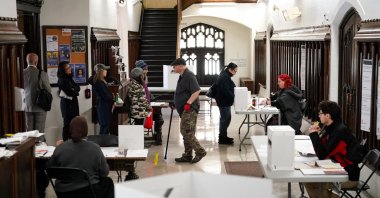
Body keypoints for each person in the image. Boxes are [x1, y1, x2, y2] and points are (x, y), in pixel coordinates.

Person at [303, 101, 361, 198]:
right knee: (308, 180)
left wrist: (313, 134)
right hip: (337, 168)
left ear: (327, 116)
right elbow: (323, 148)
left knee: (318, 183)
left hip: (348, 176)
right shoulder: (331, 127)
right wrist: (317, 134)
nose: (319, 116)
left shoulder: (340, 131)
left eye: (320, 113)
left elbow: (322, 154)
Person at [46, 116, 114, 198]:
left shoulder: (60, 148)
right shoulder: (95, 148)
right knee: (108, 182)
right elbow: (104, 172)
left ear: (70, 130)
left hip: (63, 192)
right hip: (88, 191)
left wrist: (57, 149)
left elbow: (49, 168)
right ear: (86, 130)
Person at [171, 58, 207, 163]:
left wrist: (188, 103)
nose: (173, 68)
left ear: (181, 65)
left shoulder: (189, 75)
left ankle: (200, 151)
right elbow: (182, 92)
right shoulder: (182, 76)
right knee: (187, 131)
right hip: (184, 109)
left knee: (186, 131)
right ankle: (187, 155)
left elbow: (196, 91)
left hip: (190, 109)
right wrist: (176, 102)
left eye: (175, 66)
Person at [135, 60, 164, 145]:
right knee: (142, 121)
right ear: (141, 70)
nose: (147, 71)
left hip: (147, 104)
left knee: (159, 117)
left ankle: (157, 136)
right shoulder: (137, 81)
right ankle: (141, 140)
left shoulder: (144, 78)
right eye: (145, 69)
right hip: (141, 107)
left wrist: (152, 99)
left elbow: (147, 92)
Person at [23, 53, 52, 133]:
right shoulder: (42, 73)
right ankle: (39, 145)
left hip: (27, 106)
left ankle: (29, 146)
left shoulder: (21, 73)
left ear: (27, 61)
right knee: (39, 131)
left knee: (29, 131)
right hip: (40, 106)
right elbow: (48, 90)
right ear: (36, 62)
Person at [214, 62, 238, 145]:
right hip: (223, 102)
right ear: (230, 69)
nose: (235, 73)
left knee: (226, 119)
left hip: (224, 101)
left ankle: (223, 136)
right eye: (235, 71)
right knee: (225, 120)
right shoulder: (225, 77)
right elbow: (226, 91)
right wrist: (234, 96)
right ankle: (222, 139)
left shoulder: (225, 75)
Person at [57, 61, 80, 141]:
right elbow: (69, 92)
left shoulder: (69, 78)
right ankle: (66, 143)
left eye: (69, 67)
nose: (70, 69)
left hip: (73, 104)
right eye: (67, 68)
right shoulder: (61, 80)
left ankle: (73, 142)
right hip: (67, 105)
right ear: (63, 70)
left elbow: (78, 88)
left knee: (74, 124)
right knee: (67, 125)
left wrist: (74, 90)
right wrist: (74, 90)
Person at [92, 63, 114, 134]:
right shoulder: (99, 82)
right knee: (104, 126)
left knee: (106, 126)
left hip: (105, 106)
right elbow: (105, 95)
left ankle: (104, 143)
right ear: (100, 71)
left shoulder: (101, 81)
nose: (106, 71)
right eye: (105, 70)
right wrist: (112, 97)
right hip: (103, 106)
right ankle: (102, 144)